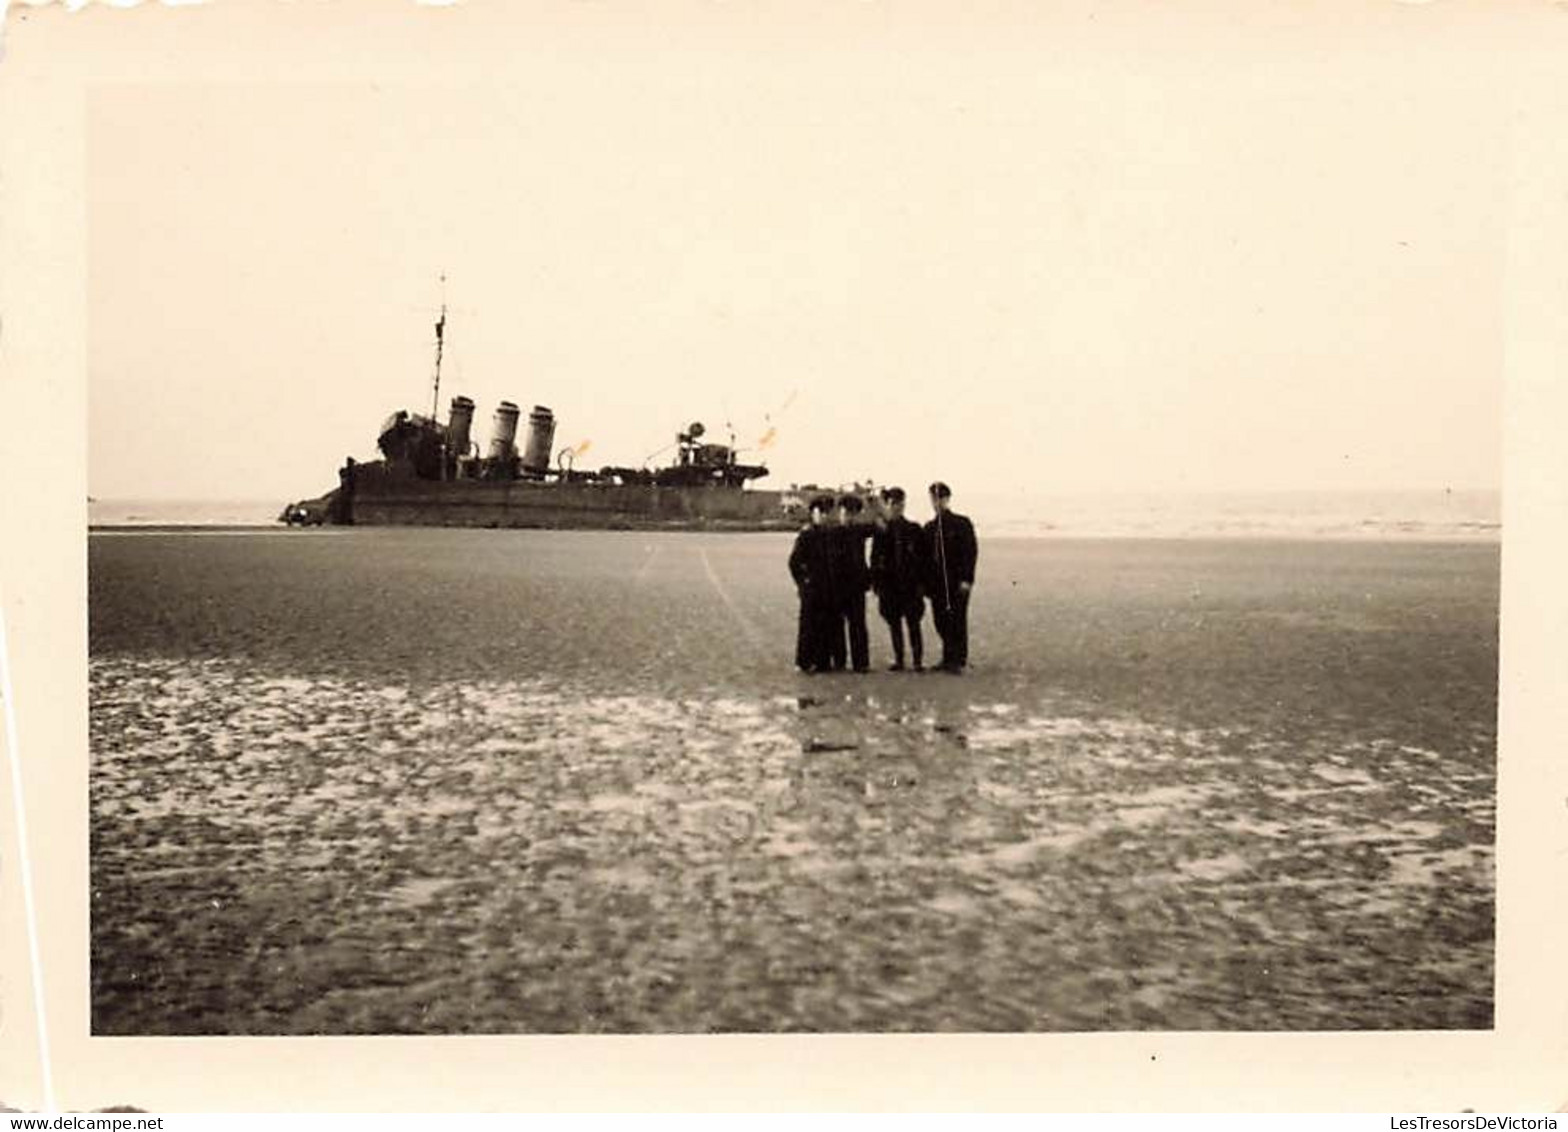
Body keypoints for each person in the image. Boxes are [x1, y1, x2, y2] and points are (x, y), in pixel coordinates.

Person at [870, 486, 928, 671]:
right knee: (894, 624)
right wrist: (876, 583)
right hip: (890, 585)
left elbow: (923, 559)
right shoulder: (881, 532)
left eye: (900, 503)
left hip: (910, 585)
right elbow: (874, 558)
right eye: (893, 503)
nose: (896, 507)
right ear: (888, 504)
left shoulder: (913, 529)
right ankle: (899, 659)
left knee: (913, 624)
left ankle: (918, 661)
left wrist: (922, 583)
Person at [924, 481, 977, 672]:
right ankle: (947, 658)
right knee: (941, 621)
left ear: (947, 499)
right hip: (937, 583)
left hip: (957, 581)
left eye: (940, 498)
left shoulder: (961, 524)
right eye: (934, 498)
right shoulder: (930, 527)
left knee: (958, 620)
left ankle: (959, 660)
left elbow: (970, 553)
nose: (937, 502)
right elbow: (925, 558)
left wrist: (967, 579)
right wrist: (925, 583)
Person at [788, 495, 840, 673]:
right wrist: (803, 582)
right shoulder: (806, 535)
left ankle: (823, 661)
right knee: (808, 626)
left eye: (826, 512)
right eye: (821, 512)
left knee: (826, 625)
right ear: (813, 513)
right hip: (812, 589)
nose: (824, 516)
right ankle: (804, 661)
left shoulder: (831, 535)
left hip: (829, 588)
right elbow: (794, 562)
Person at [831, 493, 875, 672]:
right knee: (837, 626)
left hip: (856, 585)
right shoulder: (831, 532)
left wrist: (874, 504)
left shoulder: (859, 531)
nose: (849, 516)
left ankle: (861, 663)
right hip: (837, 585)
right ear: (840, 513)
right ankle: (839, 661)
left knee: (858, 625)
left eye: (852, 513)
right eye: (846, 513)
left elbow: (880, 525)